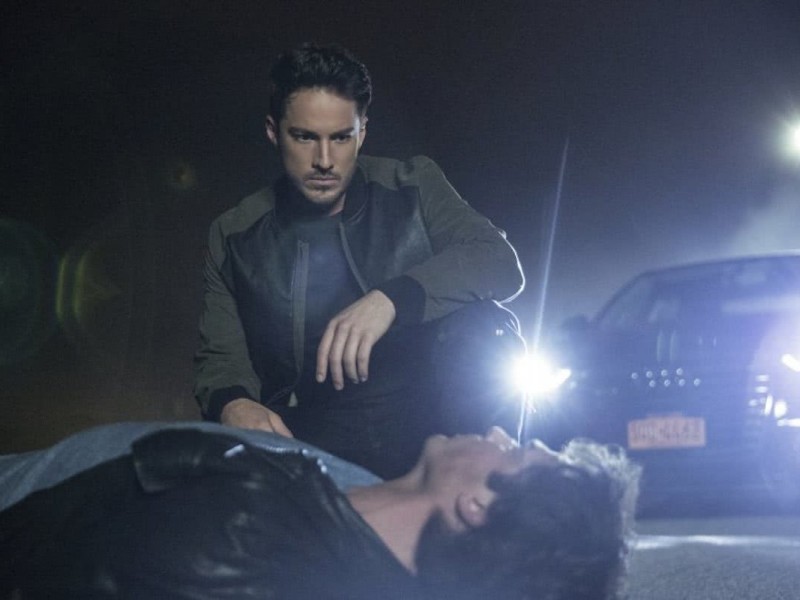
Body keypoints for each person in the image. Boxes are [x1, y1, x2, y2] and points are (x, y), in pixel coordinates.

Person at [193, 43, 525, 477]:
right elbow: (221, 357)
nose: (324, 160)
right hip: (310, 434)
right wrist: (233, 403)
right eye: (305, 137)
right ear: (274, 132)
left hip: (427, 422)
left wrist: (390, 299)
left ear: (362, 132)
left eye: (340, 137)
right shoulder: (235, 234)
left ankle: (488, 493)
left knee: (486, 326)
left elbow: (498, 262)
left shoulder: (412, 186)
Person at [0, 423, 639, 599]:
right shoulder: (336, 503)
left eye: (514, 450)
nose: (498, 431)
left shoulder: (238, 533)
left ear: (476, 508)